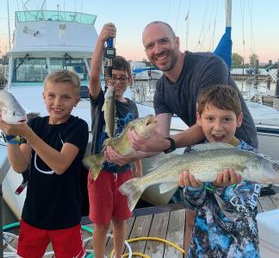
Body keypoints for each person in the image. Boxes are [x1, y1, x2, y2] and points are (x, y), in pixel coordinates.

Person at [105, 21, 258, 253]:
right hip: (203, 151)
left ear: (177, 42)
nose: (158, 49)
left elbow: (208, 122)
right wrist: (128, 155)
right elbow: (161, 136)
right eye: (150, 45)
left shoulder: (209, 66)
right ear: (146, 52)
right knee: (193, 214)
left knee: (234, 219)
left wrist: (167, 143)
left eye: (163, 41)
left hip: (235, 147)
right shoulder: (162, 90)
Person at [0, 70, 88, 258]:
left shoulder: (78, 127)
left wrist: (27, 134)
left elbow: (60, 165)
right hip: (33, 215)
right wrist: (10, 134)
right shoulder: (35, 125)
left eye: (65, 97)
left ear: (76, 100)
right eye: (51, 96)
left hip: (66, 217)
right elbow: (19, 165)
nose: (57, 102)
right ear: (43, 97)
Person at [179, 84, 260, 257]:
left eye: (226, 119)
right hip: (203, 246)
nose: (217, 127)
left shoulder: (250, 158)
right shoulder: (192, 154)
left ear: (238, 120)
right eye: (210, 119)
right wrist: (194, 188)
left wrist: (223, 189)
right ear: (198, 118)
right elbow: (192, 204)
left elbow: (242, 212)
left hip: (240, 249)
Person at [88, 22, 142, 258]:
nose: (118, 82)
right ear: (107, 80)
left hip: (125, 171)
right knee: (100, 224)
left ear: (130, 80)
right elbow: (92, 78)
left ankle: (118, 255)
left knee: (120, 220)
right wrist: (101, 41)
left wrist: (138, 165)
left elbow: (137, 141)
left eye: (123, 78)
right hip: (102, 172)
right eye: (113, 78)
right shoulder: (102, 99)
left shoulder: (132, 107)